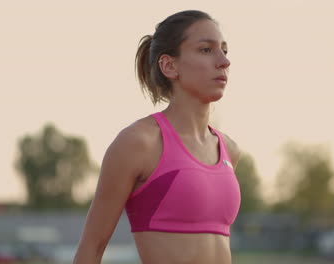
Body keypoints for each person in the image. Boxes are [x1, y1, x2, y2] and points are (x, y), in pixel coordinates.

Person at [73, 10, 241, 264]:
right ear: (169, 66)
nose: (224, 62)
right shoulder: (139, 143)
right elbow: (91, 249)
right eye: (206, 50)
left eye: (224, 50)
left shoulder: (229, 149)